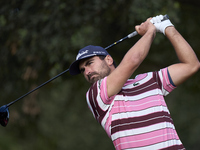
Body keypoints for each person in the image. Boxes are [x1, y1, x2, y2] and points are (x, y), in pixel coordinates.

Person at [69, 15, 200, 150]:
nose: (87, 72)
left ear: (108, 60)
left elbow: (191, 65)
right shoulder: (95, 95)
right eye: (83, 70)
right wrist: (150, 31)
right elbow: (133, 61)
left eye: (90, 63)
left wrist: (167, 27)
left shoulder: (150, 80)